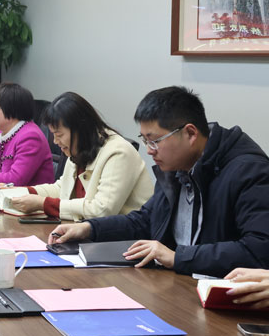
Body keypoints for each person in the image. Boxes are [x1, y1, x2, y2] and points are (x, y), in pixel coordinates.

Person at [49, 86, 269, 278]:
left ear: (190, 134)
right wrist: (88, 228)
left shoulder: (249, 171)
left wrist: (177, 257)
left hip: (222, 294)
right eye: (145, 140)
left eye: (154, 141)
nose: (149, 150)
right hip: (178, 284)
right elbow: (146, 220)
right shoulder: (177, 165)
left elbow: (259, 250)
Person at [0, 92, 152, 220]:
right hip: (87, 234)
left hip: (122, 242)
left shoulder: (118, 152)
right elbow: (61, 188)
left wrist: (43, 204)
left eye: (59, 135)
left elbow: (102, 210)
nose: (55, 142)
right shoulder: (80, 148)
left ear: (80, 129)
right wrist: (17, 192)